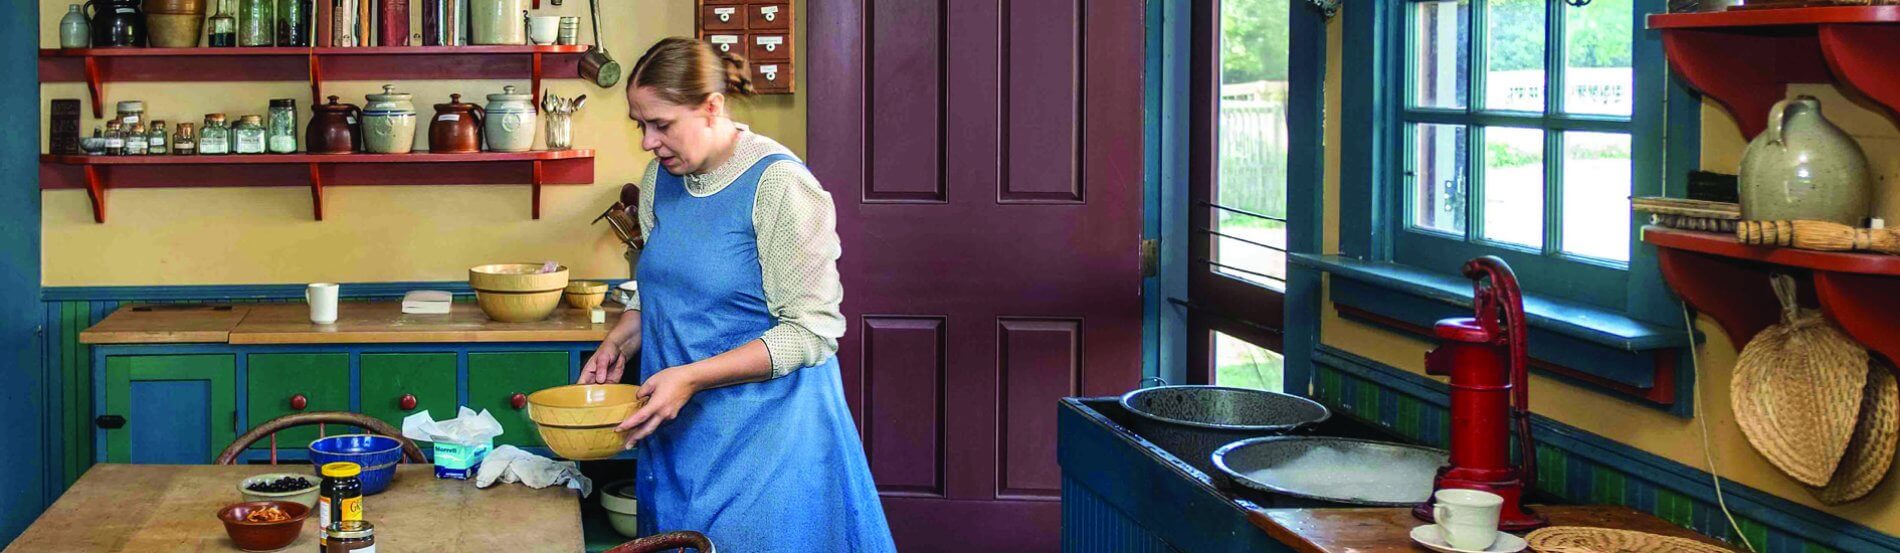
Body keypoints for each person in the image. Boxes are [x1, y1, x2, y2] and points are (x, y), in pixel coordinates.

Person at [577, 37, 897, 552]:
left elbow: (812, 332)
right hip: (681, 438)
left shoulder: (779, 185)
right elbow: (663, 287)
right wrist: (620, 340)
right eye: (640, 125)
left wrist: (691, 377)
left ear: (711, 108)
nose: (648, 141)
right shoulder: (660, 178)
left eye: (662, 124)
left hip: (768, 444)